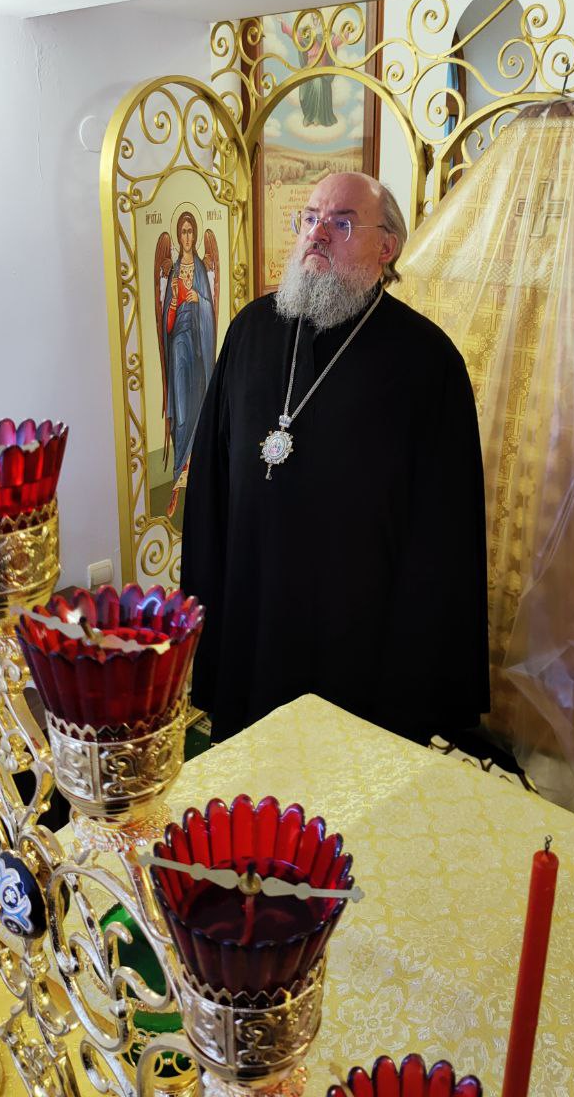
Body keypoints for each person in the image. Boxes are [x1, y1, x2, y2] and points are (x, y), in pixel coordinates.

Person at [180, 172, 489, 745]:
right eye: (310, 218)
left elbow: (444, 534)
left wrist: (422, 669)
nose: (317, 233)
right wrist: (203, 611)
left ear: (386, 248)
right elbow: (210, 487)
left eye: (341, 223)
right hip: (254, 607)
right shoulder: (249, 331)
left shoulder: (427, 363)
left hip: (360, 635)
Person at [160, 211, 217, 483]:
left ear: (195, 234)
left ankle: (195, 465)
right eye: (182, 232)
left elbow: (209, 312)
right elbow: (166, 323)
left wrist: (198, 299)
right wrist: (174, 302)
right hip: (179, 346)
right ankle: (179, 468)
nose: (186, 237)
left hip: (198, 347)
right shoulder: (174, 271)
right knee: (181, 408)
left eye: (190, 231)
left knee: (197, 403)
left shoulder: (200, 270)